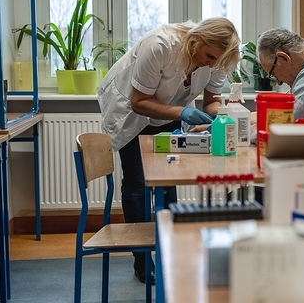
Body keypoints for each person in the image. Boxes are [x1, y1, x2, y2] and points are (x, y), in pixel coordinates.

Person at [97, 17, 240, 284]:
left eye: (216, 61)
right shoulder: (160, 44)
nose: (210, 64)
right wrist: (184, 112)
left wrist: (222, 117)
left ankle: (168, 250)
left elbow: (211, 102)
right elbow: (140, 102)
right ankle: (141, 259)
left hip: (171, 107)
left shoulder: (217, 59)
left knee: (168, 178)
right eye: (209, 56)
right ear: (197, 39)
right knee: (138, 182)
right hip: (131, 110)